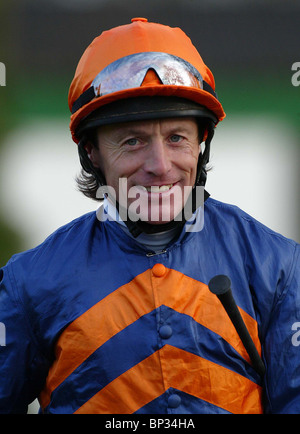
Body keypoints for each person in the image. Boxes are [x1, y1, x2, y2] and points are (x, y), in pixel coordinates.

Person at [0, 17, 299, 415]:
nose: (160, 165)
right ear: (91, 152)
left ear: (202, 143)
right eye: (132, 141)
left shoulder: (279, 267)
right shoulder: (28, 283)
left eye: (177, 137)